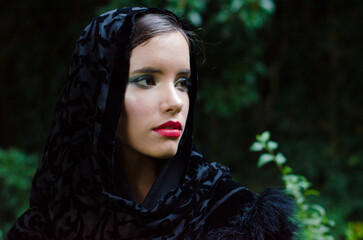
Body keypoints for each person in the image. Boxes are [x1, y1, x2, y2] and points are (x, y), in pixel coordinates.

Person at [7, 7, 297, 240]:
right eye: (146, 80)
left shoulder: (231, 217)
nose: (176, 102)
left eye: (183, 83)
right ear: (97, 94)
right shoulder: (49, 222)